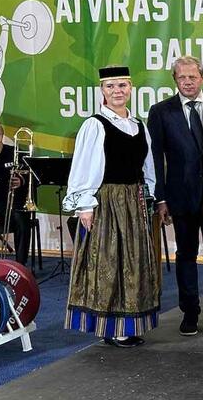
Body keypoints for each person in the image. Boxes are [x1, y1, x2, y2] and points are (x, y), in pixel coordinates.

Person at [63, 66, 159, 348]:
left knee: (133, 263)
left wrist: (150, 194)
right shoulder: (94, 125)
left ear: (130, 88)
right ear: (102, 91)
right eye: (111, 86)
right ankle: (111, 328)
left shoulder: (139, 125)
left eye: (122, 85)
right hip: (106, 201)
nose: (117, 91)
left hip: (133, 201)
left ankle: (127, 325)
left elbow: (148, 166)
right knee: (109, 262)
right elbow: (83, 167)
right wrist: (85, 205)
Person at [148, 56, 203, 337]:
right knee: (185, 254)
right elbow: (154, 159)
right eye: (182, 77)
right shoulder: (160, 112)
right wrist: (160, 199)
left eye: (192, 77)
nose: (187, 82)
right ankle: (189, 312)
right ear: (175, 80)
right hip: (179, 196)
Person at [0, 121, 32, 266]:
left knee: (22, 219)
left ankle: (20, 266)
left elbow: (33, 176)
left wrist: (22, 180)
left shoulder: (15, 152)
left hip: (13, 205)